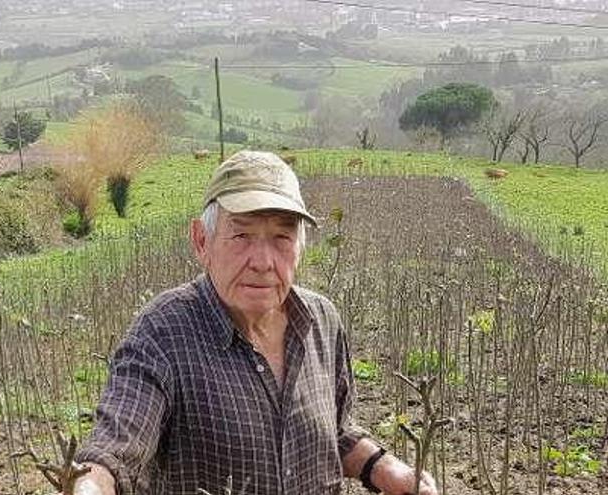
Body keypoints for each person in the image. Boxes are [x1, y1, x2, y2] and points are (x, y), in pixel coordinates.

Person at [72, 151, 438, 495]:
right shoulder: (163, 333)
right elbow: (116, 445)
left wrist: (385, 468)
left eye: (282, 237)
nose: (263, 261)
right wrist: (90, 485)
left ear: (300, 247)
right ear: (202, 241)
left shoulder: (321, 321)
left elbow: (337, 431)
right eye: (242, 235)